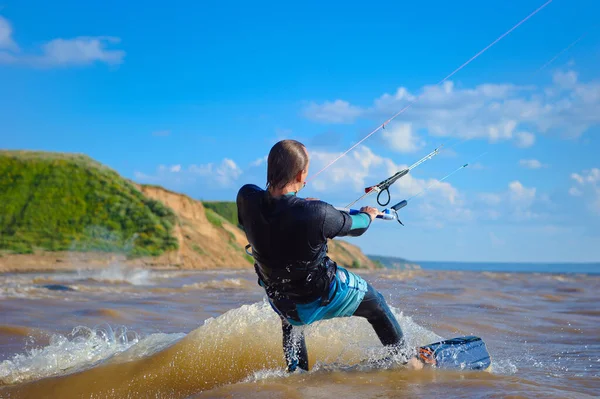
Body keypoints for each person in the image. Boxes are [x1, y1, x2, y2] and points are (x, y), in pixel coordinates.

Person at [236, 139, 407, 372]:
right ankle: (406, 361)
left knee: (291, 320)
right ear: (299, 175)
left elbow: (271, 214)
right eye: (306, 171)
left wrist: (299, 205)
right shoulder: (317, 213)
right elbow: (357, 226)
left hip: (279, 295)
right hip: (319, 293)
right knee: (376, 305)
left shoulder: (246, 197)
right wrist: (370, 214)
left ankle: (297, 377)